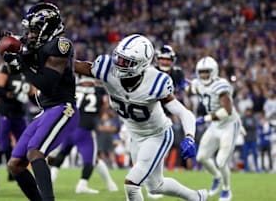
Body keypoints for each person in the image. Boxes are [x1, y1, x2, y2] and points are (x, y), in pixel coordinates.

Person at [75, 34, 208, 201]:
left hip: (157, 135)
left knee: (132, 184)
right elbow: (73, 66)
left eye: (125, 62)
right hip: (135, 135)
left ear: (141, 64)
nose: (118, 64)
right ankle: (196, 197)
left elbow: (184, 112)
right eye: (118, 58)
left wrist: (190, 137)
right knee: (155, 186)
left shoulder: (156, 82)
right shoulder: (106, 68)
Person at [3, 2, 80, 201]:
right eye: (29, 30)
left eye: (35, 29)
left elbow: (47, 84)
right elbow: (14, 71)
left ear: (49, 27)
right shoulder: (39, 46)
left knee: (35, 152)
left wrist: (21, 61)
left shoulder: (60, 45)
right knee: (15, 164)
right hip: (46, 110)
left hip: (63, 108)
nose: (30, 34)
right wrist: (10, 53)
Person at [49, 75, 118, 194]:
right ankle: (82, 185)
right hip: (85, 130)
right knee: (90, 161)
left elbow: (65, 106)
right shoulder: (98, 91)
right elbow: (103, 109)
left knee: (63, 154)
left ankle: (49, 180)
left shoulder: (73, 88)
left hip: (69, 128)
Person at [189, 56, 241, 201]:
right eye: (202, 72)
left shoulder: (221, 85)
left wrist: (204, 118)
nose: (204, 75)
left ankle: (226, 190)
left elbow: (227, 111)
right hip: (215, 125)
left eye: (207, 72)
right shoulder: (198, 83)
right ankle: (217, 177)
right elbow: (192, 89)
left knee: (221, 161)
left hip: (229, 124)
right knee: (201, 157)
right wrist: (188, 85)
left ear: (214, 71)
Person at [0, 58, 37, 191]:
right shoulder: (7, 69)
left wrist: (43, 105)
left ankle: (20, 176)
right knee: (0, 147)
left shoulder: (29, 72)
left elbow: (32, 95)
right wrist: (13, 95)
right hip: (4, 114)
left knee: (26, 147)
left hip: (19, 116)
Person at [241, 108, 260, 173]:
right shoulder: (244, 118)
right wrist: (249, 126)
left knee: (255, 154)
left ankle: (257, 168)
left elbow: (255, 126)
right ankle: (246, 169)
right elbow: (243, 126)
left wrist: (248, 126)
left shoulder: (254, 118)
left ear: (251, 112)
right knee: (245, 155)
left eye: (249, 111)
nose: (248, 113)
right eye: (247, 112)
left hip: (253, 139)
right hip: (246, 139)